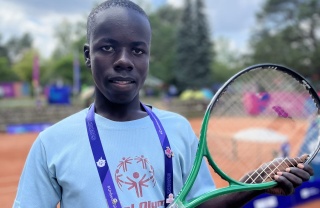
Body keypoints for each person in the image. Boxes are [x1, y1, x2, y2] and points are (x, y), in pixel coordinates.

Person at [13, 1, 313, 208]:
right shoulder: (52, 143)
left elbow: (200, 203)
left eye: (137, 50)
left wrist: (254, 183)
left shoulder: (177, 129)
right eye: (107, 47)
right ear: (88, 55)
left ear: (148, 57)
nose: (123, 61)